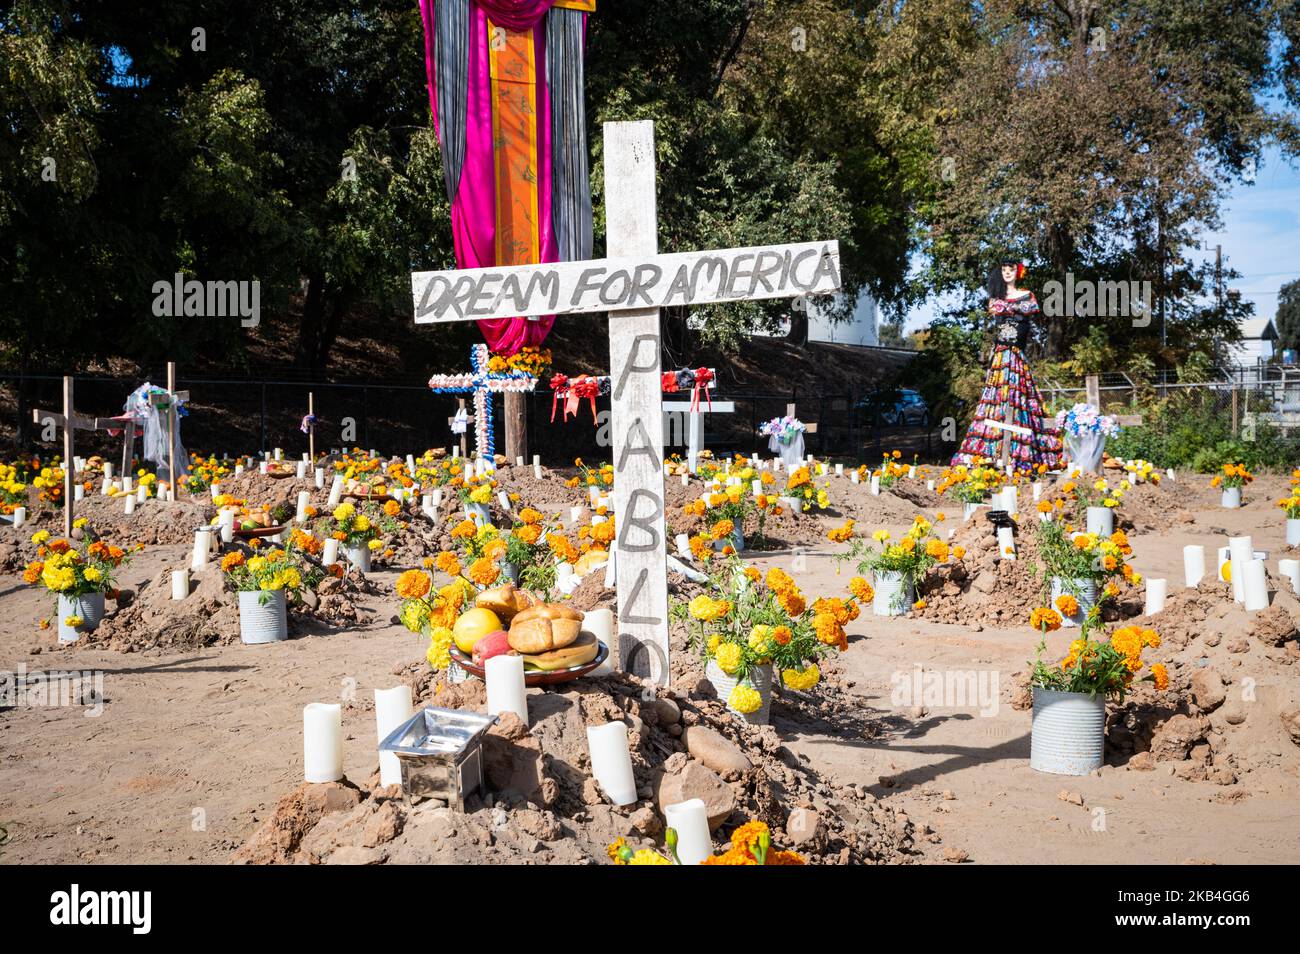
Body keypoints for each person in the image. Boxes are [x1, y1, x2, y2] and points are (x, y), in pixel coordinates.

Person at [951, 262, 1064, 473]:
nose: (1007, 273)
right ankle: (993, 451)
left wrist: (1010, 307)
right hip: (1001, 353)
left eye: (1011, 270)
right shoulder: (996, 297)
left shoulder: (1026, 294)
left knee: (1020, 396)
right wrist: (1012, 308)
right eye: (1004, 270)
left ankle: (1021, 452)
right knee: (997, 399)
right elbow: (996, 308)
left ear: (1018, 272)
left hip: (1016, 355)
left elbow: (1030, 307)